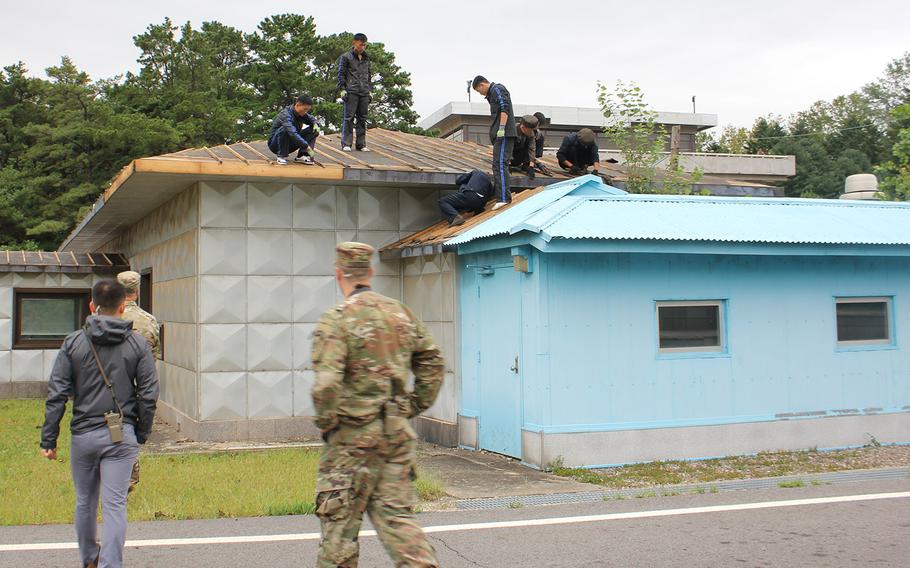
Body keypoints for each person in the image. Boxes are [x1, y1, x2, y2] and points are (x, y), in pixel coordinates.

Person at [311, 242, 445, 568]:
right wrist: (411, 406)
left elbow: (327, 384)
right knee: (398, 520)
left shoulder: (337, 320)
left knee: (339, 527)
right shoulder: (400, 313)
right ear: (370, 272)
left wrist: (329, 423)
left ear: (338, 274)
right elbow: (433, 362)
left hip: (351, 440)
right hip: (395, 437)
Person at [41, 279, 158, 568]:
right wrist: (140, 432)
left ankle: (89, 560)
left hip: (83, 434)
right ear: (123, 307)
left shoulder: (73, 342)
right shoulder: (137, 343)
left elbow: (57, 393)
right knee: (115, 505)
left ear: (92, 306)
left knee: (85, 502)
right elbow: (149, 393)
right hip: (120, 435)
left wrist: (49, 439)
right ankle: (110, 564)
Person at [116, 270, 160, 494]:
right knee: (126, 434)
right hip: (132, 396)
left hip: (104, 394)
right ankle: (125, 483)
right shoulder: (149, 322)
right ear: (137, 291)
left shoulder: (105, 319)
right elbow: (149, 372)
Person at [472, 75, 516, 209]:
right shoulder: (492, 94)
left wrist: (502, 128)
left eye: (479, 91)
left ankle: (503, 198)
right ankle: (502, 197)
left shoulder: (497, 89)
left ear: (481, 85)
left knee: (500, 164)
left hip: (504, 134)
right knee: (497, 165)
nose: (481, 94)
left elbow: (504, 107)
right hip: (500, 134)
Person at [336, 33, 372, 152]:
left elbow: (369, 75)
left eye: (364, 45)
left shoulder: (367, 58)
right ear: (354, 43)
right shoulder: (346, 57)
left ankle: (361, 144)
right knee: (349, 118)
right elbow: (341, 74)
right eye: (360, 44)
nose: (362, 47)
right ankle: (346, 143)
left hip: (364, 92)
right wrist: (342, 89)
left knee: (362, 118)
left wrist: (370, 90)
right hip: (351, 91)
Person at [268, 95, 321, 165]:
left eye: (308, 110)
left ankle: (302, 155)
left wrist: (316, 125)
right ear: (298, 105)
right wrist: (306, 146)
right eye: (305, 109)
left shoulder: (302, 114)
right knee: (285, 129)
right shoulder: (285, 114)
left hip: (290, 145)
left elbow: (312, 119)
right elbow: (292, 133)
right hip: (276, 145)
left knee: (314, 130)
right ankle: (281, 156)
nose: (306, 112)